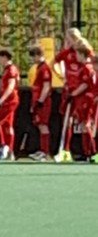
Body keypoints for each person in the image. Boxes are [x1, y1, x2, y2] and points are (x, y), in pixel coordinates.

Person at [53, 28, 84, 162]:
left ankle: (89, 151)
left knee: (86, 122)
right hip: (69, 91)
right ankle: (65, 151)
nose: (68, 41)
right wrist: (61, 76)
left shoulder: (84, 51)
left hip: (83, 91)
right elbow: (53, 63)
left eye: (69, 39)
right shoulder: (66, 53)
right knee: (67, 121)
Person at [0, 50, 20, 161]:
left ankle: (3, 146)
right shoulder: (7, 69)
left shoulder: (11, 69)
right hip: (10, 100)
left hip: (9, 101)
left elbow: (11, 86)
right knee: (8, 125)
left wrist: (2, 99)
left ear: (5, 57)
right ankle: (10, 152)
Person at [69, 43, 96, 161]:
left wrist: (73, 94)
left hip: (87, 100)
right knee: (84, 126)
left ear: (82, 54)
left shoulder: (86, 68)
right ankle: (87, 152)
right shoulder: (89, 67)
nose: (76, 57)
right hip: (87, 99)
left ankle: (91, 152)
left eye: (77, 54)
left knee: (86, 125)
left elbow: (85, 84)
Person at [28, 46, 53, 162]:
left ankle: (45, 152)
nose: (33, 59)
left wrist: (41, 101)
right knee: (39, 125)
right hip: (37, 100)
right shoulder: (39, 68)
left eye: (33, 56)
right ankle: (42, 150)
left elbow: (46, 86)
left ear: (38, 55)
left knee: (43, 125)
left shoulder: (44, 68)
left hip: (43, 102)